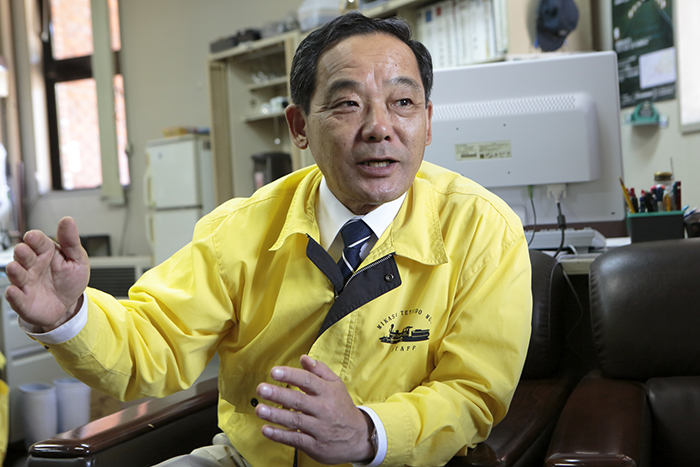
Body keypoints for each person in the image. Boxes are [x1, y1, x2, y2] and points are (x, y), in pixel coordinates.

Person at [4, 12, 532, 467]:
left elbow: (472, 393)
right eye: (348, 104)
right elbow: (154, 342)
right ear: (299, 126)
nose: (379, 127)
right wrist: (69, 315)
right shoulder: (241, 228)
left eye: (403, 103)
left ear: (428, 122)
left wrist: (367, 432)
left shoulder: (483, 229)